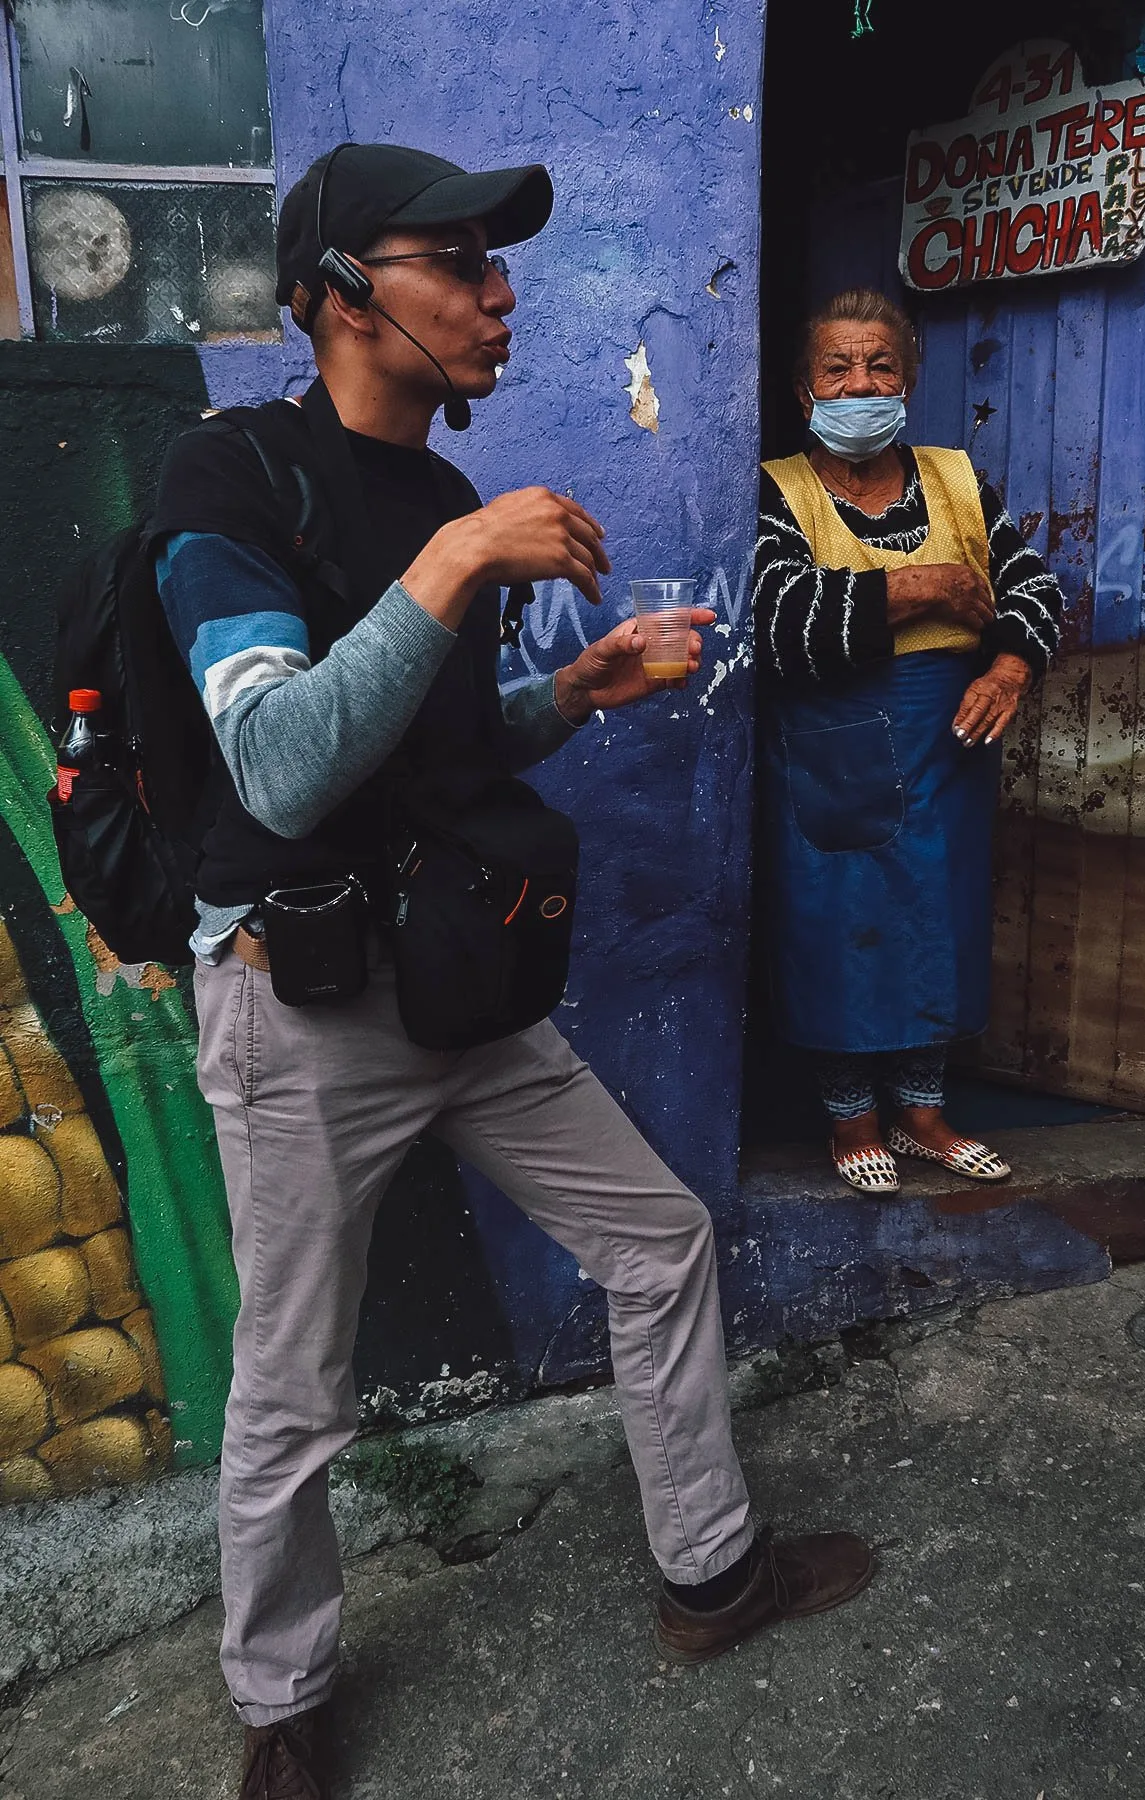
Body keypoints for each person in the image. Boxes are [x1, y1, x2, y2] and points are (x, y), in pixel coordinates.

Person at [150, 144, 876, 1800]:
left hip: (457, 992)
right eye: (457, 263)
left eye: (499, 264)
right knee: (290, 1391)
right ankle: (280, 1694)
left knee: (660, 1240)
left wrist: (581, 695)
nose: (500, 296)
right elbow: (276, 765)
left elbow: (431, 755)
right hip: (301, 1005)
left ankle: (710, 1575)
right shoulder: (233, 485)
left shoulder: (433, 507)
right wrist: (462, 564)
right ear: (345, 296)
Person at [755, 288, 1062, 1196]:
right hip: (831, 757)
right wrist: (923, 589)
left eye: (881, 364)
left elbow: (1034, 591)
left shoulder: (959, 480)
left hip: (947, 753)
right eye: (838, 368)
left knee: (938, 926)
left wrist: (1008, 666)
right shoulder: (780, 490)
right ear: (805, 393)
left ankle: (923, 1113)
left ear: (911, 379)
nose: (862, 383)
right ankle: (851, 1120)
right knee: (840, 933)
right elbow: (780, 623)